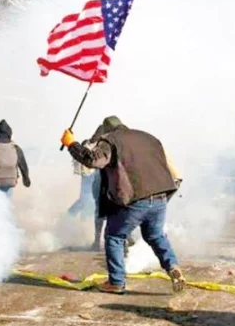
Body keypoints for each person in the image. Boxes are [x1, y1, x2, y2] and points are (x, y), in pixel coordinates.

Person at [61, 116, 185, 294]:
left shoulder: (111, 140)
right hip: (161, 196)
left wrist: (71, 144)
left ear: (106, 131)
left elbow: (93, 160)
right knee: (156, 235)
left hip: (136, 199)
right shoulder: (148, 137)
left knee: (114, 237)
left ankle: (116, 282)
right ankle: (172, 266)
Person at [67, 139, 105, 250]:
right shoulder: (92, 146)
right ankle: (71, 216)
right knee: (86, 199)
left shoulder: (95, 146)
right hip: (90, 175)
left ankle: (76, 218)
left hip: (92, 176)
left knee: (87, 200)